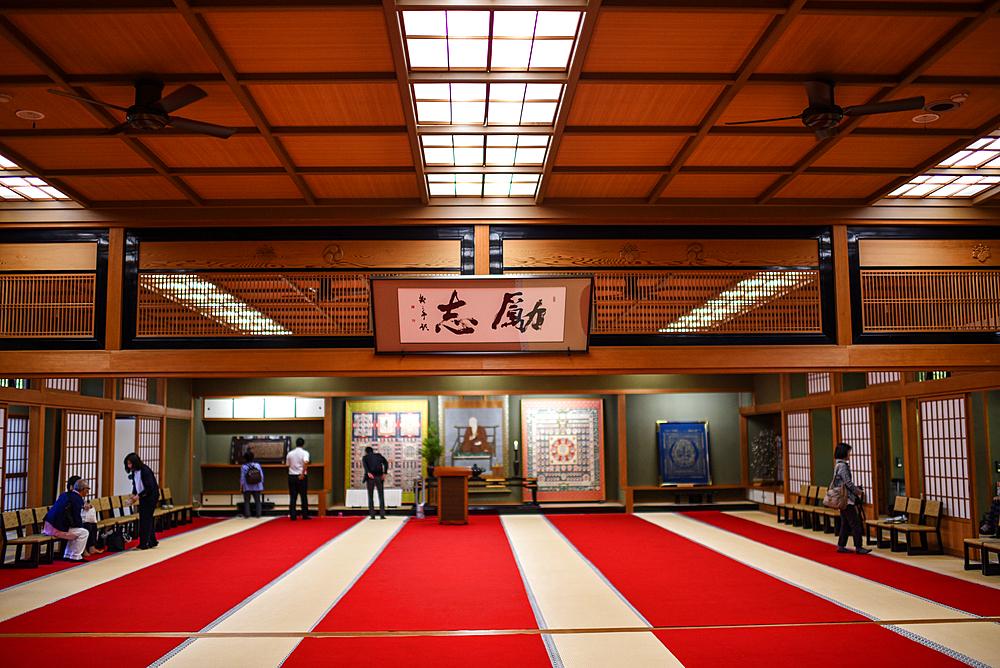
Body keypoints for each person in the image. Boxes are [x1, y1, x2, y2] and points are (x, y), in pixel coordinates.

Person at [831, 442, 872, 555]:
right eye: (848, 452)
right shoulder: (843, 466)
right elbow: (848, 483)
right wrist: (857, 491)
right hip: (846, 499)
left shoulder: (837, 464)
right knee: (855, 522)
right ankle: (858, 546)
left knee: (845, 523)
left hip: (842, 498)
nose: (849, 454)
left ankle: (841, 545)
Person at [42, 478, 90, 562]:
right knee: (84, 532)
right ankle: (76, 556)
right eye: (87, 489)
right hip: (56, 528)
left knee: (75, 531)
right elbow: (76, 516)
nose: (88, 491)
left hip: (48, 525)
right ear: (84, 489)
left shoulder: (65, 495)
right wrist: (80, 526)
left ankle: (67, 554)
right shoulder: (77, 498)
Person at [125, 452, 160, 550]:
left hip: (151, 497)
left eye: (130, 463)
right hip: (143, 496)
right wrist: (133, 494)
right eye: (128, 464)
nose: (129, 466)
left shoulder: (145, 470)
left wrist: (138, 496)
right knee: (146, 519)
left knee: (145, 520)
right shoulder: (134, 471)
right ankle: (152, 541)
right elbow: (136, 485)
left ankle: (143, 544)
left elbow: (149, 487)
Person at [286, 437, 310, 520]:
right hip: (301, 476)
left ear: (295, 444)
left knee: (293, 497)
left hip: (291, 476)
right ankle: (305, 515)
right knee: (303, 496)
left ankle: (293, 515)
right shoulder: (305, 453)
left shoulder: (290, 453)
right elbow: (306, 462)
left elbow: (287, 465)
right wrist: (303, 473)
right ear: (303, 445)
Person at [362, 446, 390, 520]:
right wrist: (384, 473)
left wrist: (368, 473)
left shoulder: (365, 457)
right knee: (381, 495)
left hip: (370, 478)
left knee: (370, 496)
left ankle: (372, 514)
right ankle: (382, 514)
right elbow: (386, 463)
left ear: (366, 452)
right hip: (379, 477)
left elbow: (365, 467)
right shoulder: (378, 456)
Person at [240, 450, 264, 519]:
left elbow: (242, 478)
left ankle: (247, 514)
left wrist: (241, 486)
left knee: (247, 501)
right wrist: (261, 483)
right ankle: (258, 514)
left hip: (247, 486)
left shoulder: (244, 467)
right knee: (257, 500)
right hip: (257, 485)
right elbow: (261, 476)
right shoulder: (257, 465)